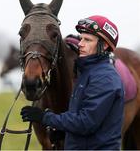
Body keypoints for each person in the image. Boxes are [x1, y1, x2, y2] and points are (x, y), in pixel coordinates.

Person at [20, 15, 124, 150]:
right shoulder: (86, 73)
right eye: (81, 38)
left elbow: (86, 122)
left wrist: (45, 117)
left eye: (87, 40)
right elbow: (86, 120)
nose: (80, 43)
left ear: (104, 45)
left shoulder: (105, 78)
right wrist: (63, 131)